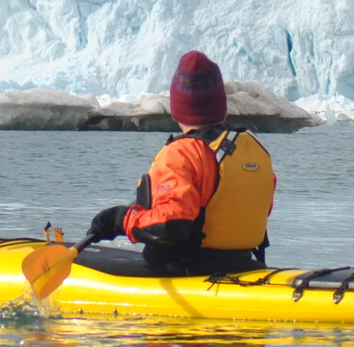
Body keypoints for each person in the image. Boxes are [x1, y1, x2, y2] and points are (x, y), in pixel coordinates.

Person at [84, 51, 276, 273]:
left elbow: (170, 225)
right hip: (245, 264)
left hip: (187, 268)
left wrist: (122, 219)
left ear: (177, 108)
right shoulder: (253, 148)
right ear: (220, 105)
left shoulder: (182, 153)